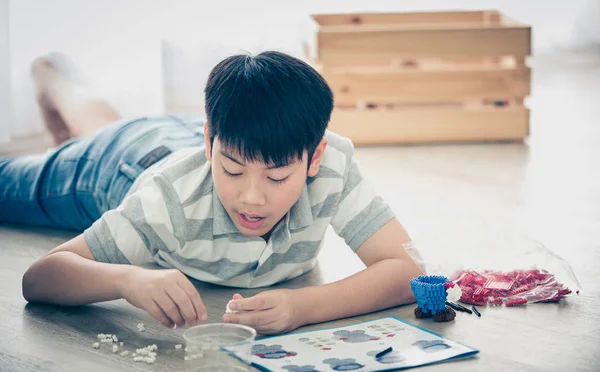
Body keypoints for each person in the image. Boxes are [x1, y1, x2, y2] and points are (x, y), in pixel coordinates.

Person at [2, 51, 422, 335]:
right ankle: (52, 79)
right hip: (118, 164)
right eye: (232, 172)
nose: (252, 198)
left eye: (277, 178)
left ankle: (60, 86)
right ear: (210, 145)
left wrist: (302, 307)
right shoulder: (166, 202)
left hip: (198, 140)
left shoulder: (331, 167)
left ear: (315, 158)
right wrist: (127, 278)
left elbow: (409, 271)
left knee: (114, 124)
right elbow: (39, 278)